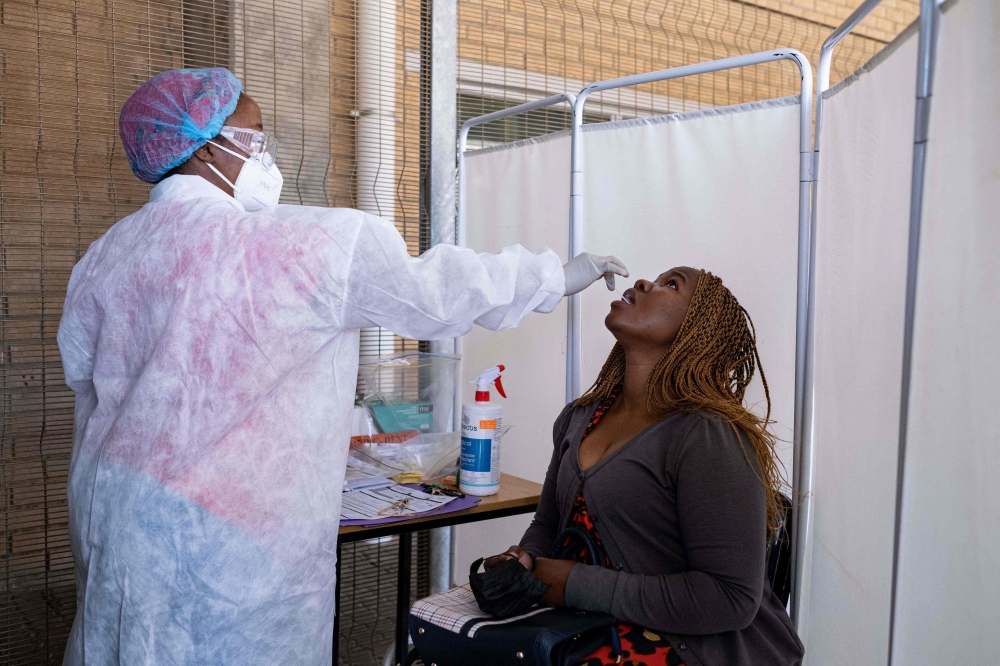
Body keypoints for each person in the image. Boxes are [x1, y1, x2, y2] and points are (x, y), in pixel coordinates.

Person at [57, 67, 628, 666]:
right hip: (228, 543)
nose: (265, 154)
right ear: (205, 146)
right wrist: (554, 276)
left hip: (114, 511)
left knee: (119, 644)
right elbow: (432, 291)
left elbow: (88, 381)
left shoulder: (106, 256)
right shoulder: (304, 243)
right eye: (255, 137)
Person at [486, 267, 804, 666]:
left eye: (671, 285)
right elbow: (547, 524)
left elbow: (730, 598)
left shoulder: (708, 434)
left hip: (692, 648)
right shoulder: (578, 417)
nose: (641, 284)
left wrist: (569, 584)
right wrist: (524, 561)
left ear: (696, 328)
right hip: (586, 626)